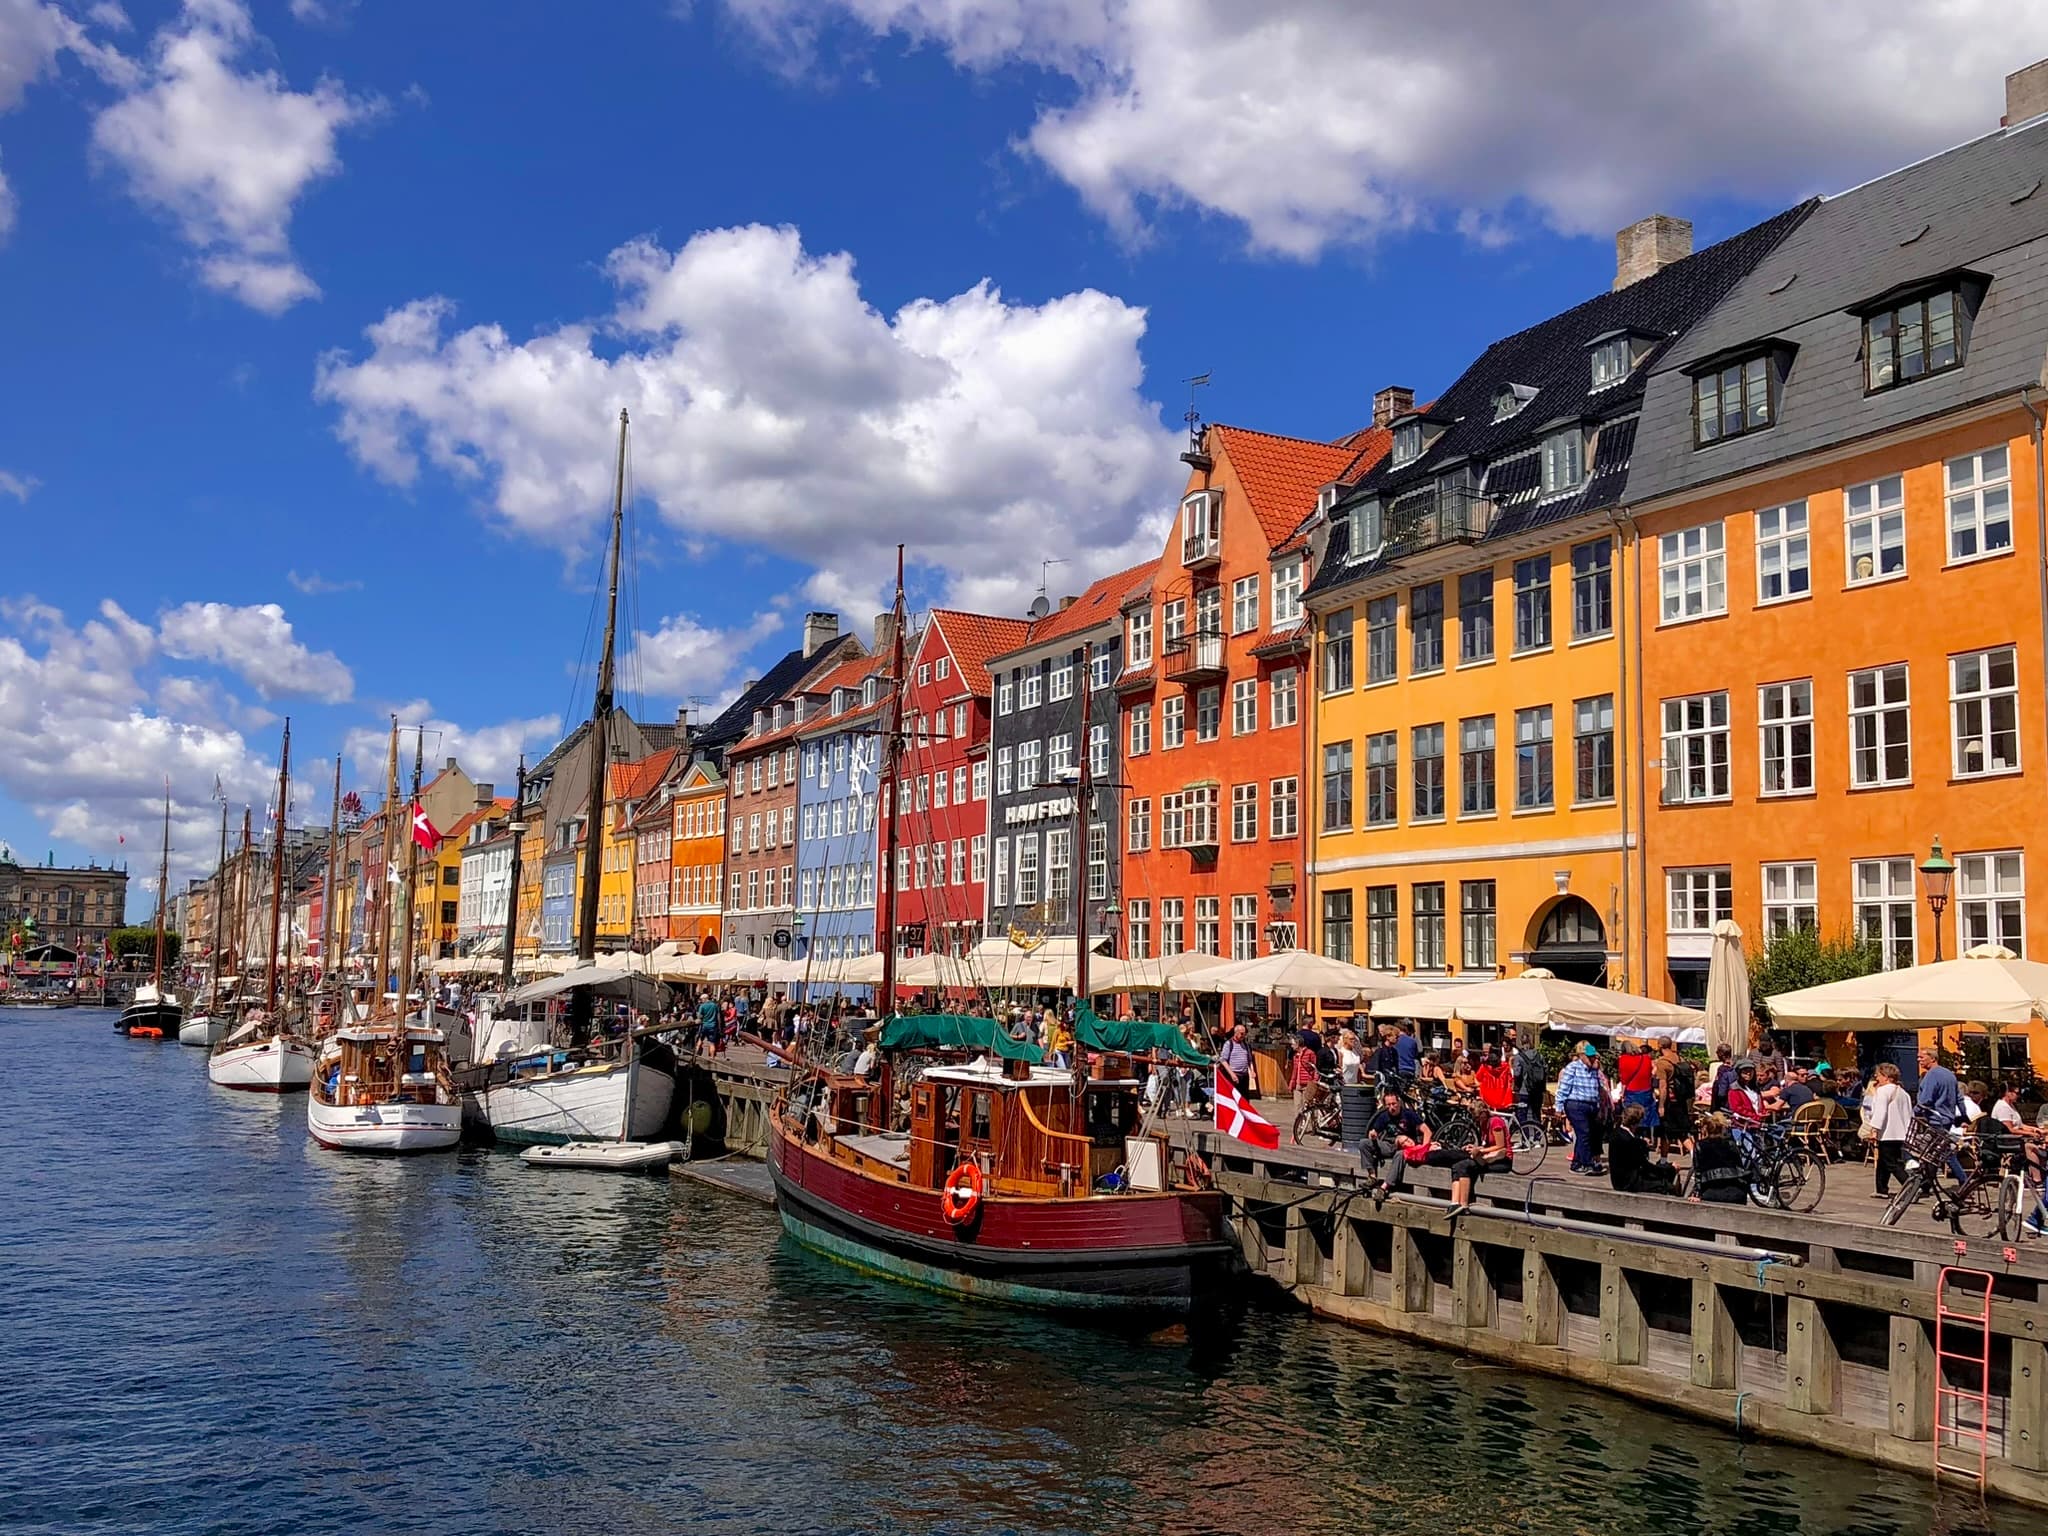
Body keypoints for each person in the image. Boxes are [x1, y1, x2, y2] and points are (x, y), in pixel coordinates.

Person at [1361, 1087, 1428, 1205]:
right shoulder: (1384, 1116)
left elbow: (1427, 1131)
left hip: (1406, 1147)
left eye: (1394, 1104)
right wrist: (1373, 1135)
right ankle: (1372, 1176)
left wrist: (1423, 1149)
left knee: (1400, 1155)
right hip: (1389, 1144)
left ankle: (1384, 1187)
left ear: (1399, 1103)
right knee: (1364, 1143)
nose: (1391, 1107)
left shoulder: (1409, 1114)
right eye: (1388, 1105)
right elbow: (1374, 1131)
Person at [1556, 1042, 1606, 1175]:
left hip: (1591, 1105)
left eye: (1594, 1056)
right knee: (1584, 1132)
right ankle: (1586, 1162)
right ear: (1581, 1055)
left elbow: (1598, 1088)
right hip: (1575, 1104)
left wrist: (1599, 1106)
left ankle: (1577, 1163)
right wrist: (1558, 1107)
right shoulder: (1573, 1068)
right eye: (1589, 1057)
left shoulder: (1594, 1069)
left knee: (1589, 1134)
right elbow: (1563, 1088)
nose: (1592, 1059)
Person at [1865, 1061, 1914, 1198]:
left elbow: (1880, 1112)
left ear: (1886, 1077)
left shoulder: (1883, 1091)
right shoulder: (1904, 1093)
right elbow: (1909, 1113)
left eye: (1879, 1075)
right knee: (1883, 1161)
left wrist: (1874, 1129)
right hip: (1901, 1132)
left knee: (1891, 1162)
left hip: (1888, 1132)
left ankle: (1910, 1186)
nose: (1876, 1078)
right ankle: (1881, 1189)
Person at [1608, 1103, 1678, 1195]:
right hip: (1629, 1182)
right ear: (1635, 1123)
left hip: (1618, 1180)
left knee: (1661, 1177)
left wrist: (1641, 1142)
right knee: (1666, 1186)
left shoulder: (1615, 1133)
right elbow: (1645, 1166)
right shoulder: (1631, 1142)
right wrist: (1669, 1169)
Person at [1690, 1112, 1750, 1204]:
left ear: (1705, 1129)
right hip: (1735, 1191)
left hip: (1711, 1191)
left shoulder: (1700, 1145)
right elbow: (1740, 1168)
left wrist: (1697, 1193)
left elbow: (1698, 1172)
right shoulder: (1730, 1144)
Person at [1655, 1039, 1696, 1154]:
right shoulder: (1680, 1059)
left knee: (1665, 1132)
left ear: (1659, 1046)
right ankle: (1694, 1154)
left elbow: (1663, 1086)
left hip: (1670, 1101)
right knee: (1682, 1132)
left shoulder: (1662, 1063)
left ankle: (1663, 1160)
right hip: (1681, 1100)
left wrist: (1661, 1105)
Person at [1916, 1047, 1963, 1128]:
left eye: (1921, 1057)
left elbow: (1926, 1100)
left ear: (1932, 1059)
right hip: (1948, 1120)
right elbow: (1959, 1098)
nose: (1918, 1060)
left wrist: (1914, 1111)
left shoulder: (1932, 1075)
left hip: (1935, 1120)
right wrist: (1964, 1114)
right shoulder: (1950, 1074)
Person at [1616, 1039, 1657, 1133]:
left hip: (1632, 1091)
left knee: (1632, 1117)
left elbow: (1624, 1079)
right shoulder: (1646, 1058)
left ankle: (1634, 1138)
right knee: (1645, 1118)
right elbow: (1652, 1072)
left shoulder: (1623, 1059)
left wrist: (1622, 1093)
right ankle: (1646, 1139)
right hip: (1646, 1091)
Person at [1290, 1030, 1323, 1123]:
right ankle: (1299, 1124)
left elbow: (1315, 1068)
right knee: (1297, 1105)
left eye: (1292, 1044)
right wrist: (1292, 1083)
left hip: (1308, 1083)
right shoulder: (1295, 1056)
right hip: (1298, 1083)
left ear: (1298, 1043)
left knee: (1308, 1105)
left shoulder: (1310, 1053)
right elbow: (1295, 1070)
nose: (1291, 1046)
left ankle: (1312, 1124)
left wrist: (1314, 1081)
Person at [1219, 1025, 1253, 1097]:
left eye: (1244, 1033)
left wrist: (1252, 1071)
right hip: (1234, 1075)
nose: (1243, 1035)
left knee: (1244, 1098)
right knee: (1234, 1097)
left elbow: (1249, 1060)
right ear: (1236, 1033)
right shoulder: (1229, 1044)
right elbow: (1223, 1060)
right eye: (1241, 1033)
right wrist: (1232, 1074)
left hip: (1244, 1075)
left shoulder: (1246, 1045)